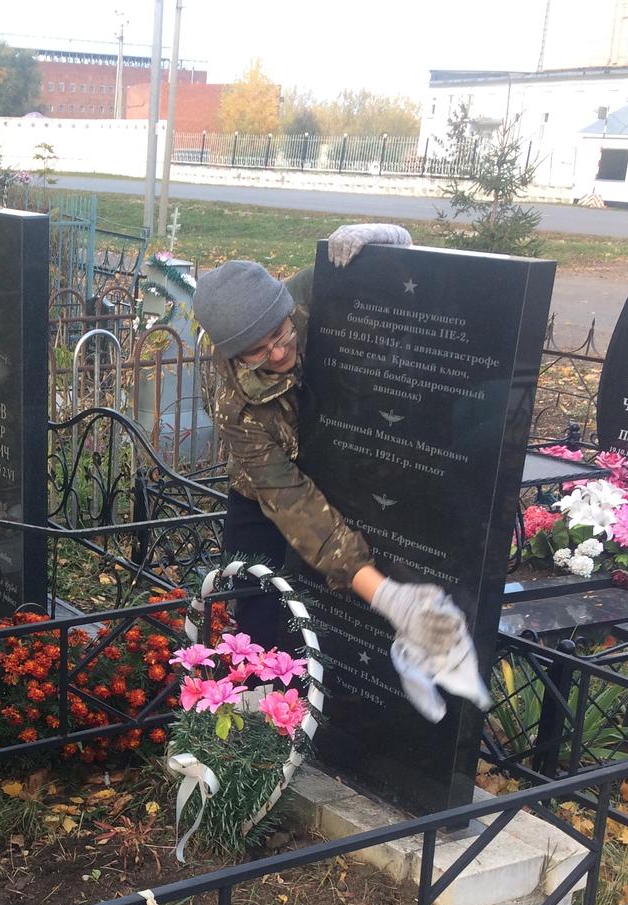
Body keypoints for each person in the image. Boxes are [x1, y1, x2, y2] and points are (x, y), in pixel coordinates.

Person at [193, 224, 484, 719]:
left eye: (280, 333)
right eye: (258, 351)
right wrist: (388, 596)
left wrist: (375, 234)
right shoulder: (236, 409)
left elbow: (394, 258)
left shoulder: (302, 294)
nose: (279, 353)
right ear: (233, 353)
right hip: (267, 496)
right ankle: (262, 718)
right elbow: (294, 503)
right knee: (260, 609)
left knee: (337, 605)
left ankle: (347, 702)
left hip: (341, 465)